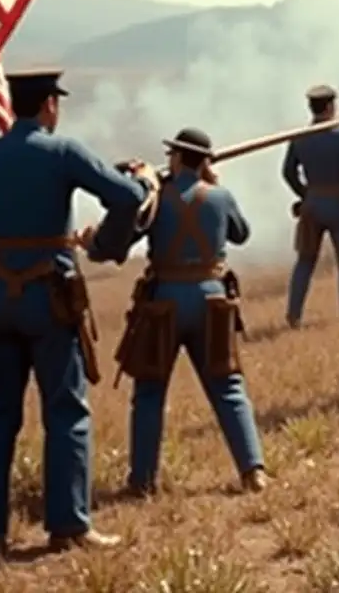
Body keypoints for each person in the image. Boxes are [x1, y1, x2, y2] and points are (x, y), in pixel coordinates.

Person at [0, 69, 156, 560]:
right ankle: (68, 526)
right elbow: (124, 197)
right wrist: (142, 181)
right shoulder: (63, 152)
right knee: (66, 412)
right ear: (49, 106)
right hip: (50, 299)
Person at [81, 128, 266, 497]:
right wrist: (214, 188)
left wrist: (93, 241)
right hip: (212, 299)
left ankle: (143, 481)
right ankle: (253, 470)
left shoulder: (154, 200)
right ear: (205, 161)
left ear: (178, 158)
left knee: (149, 391)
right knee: (228, 386)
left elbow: (118, 243)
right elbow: (241, 234)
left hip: (163, 301)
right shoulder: (220, 196)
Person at [281, 84, 339, 326]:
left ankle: (294, 314)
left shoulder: (300, 136)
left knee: (305, 262)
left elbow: (287, 172)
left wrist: (305, 193)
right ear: (330, 106)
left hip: (312, 206)